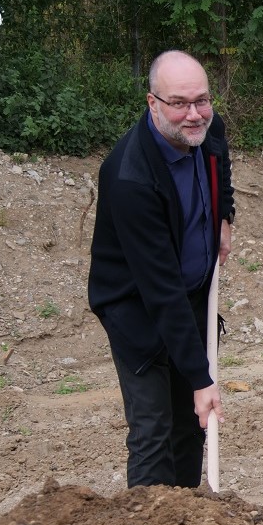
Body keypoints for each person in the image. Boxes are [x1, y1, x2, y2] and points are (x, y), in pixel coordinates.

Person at [88, 50, 233, 488]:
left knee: (191, 424)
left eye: (203, 100)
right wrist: (202, 377)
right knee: (154, 429)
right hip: (138, 310)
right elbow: (160, 290)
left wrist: (224, 215)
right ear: (153, 104)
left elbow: (220, 162)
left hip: (190, 295)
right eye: (180, 103)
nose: (194, 114)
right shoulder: (129, 177)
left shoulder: (207, 129)